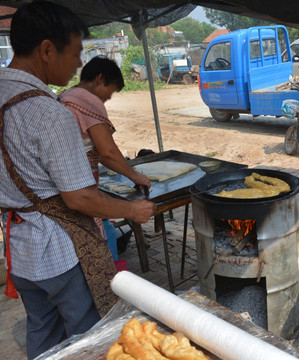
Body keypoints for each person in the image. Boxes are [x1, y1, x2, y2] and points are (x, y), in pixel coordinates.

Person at [0, 2, 155, 359]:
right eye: (75, 52)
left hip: (19, 249)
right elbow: (80, 199)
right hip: (57, 252)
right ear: (46, 49)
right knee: (92, 338)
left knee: (42, 332)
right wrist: (131, 209)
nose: (78, 64)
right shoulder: (47, 111)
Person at [59, 56, 151, 260]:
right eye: (110, 91)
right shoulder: (86, 100)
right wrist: (135, 176)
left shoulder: (66, 96)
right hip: (80, 187)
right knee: (100, 249)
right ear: (100, 79)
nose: (107, 98)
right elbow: (107, 152)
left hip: (64, 189)